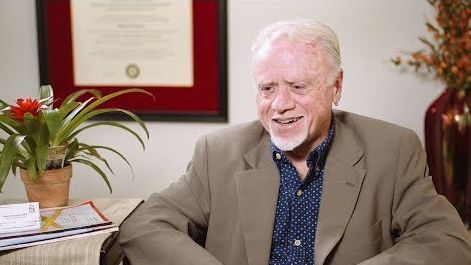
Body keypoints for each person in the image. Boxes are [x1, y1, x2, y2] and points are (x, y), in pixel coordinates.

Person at [119, 19, 471, 265]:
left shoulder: (391, 150)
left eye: (298, 86)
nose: (280, 104)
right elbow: (145, 225)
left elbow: (448, 242)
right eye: (267, 88)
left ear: (336, 87)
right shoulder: (218, 153)